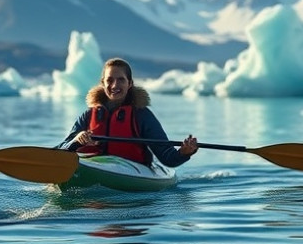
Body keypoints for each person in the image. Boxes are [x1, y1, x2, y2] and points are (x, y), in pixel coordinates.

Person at [58, 57, 198, 166]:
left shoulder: (142, 115)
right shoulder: (88, 115)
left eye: (121, 80)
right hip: (93, 164)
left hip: (133, 169)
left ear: (129, 83)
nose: (114, 85)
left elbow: (168, 158)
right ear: (103, 83)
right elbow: (62, 149)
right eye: (110, 80)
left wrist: (184, 152)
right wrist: (77, 140)